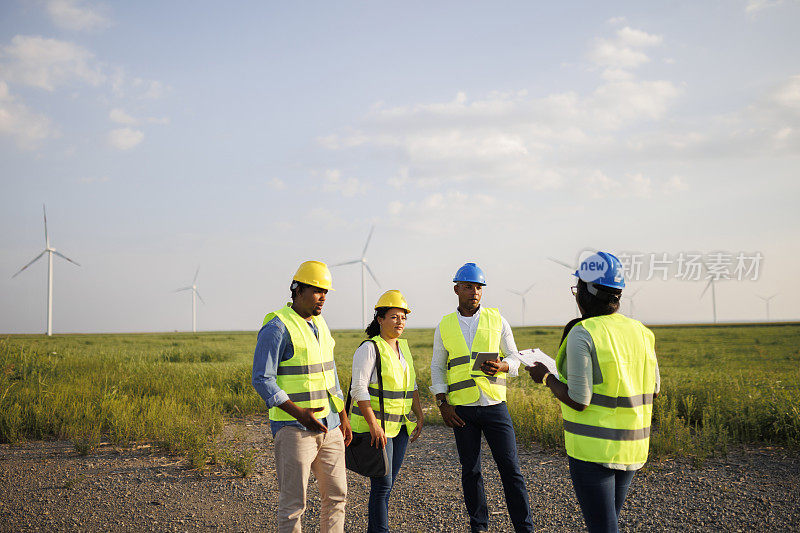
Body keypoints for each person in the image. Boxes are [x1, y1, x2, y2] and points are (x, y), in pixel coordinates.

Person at [526, 251, 660, 533]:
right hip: (632, 447)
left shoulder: (583, 332)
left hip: (593, 451)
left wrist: (546, 377)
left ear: (587, 292)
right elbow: (654, 391)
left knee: (603, 528)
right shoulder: (642, 332)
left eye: (577, 288)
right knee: (608, 521)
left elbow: (579, 399)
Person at [431, 262, 534, 533]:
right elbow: (437, 367)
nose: (474, 292)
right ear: (456, 289)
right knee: (471, 471)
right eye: (468, 287)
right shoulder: (444, 325)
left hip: (494, 407)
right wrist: (443, 403)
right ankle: (479, 526)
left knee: (511, 471)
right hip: (462, 409)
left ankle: (524, 528)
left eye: (478, 287)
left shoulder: (497, 320)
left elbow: (515, 358)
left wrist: (503, 366)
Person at [251, 260, 352, 533]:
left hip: (330, 427)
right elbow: (262, 379)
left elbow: (331, 375)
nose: (323, 297)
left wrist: (342, 417)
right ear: (297, 289)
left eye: (326, 292)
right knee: (294, 504)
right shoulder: (277, 327)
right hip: (295, 428)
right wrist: (299, 414)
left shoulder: (321, 324)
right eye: (317, 290)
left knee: (336, 496)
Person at [349, 290, 423, 533]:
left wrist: (419, 415)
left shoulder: (405, 348)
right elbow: (358, 389)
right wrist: (373, 425)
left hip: (399, 427)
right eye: (393, 316)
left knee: (386, 486)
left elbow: (411, 385)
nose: (400, 321)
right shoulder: (370, 348)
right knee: (382, 485)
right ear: (380, 319)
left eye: (403, 317)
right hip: (377, 428)